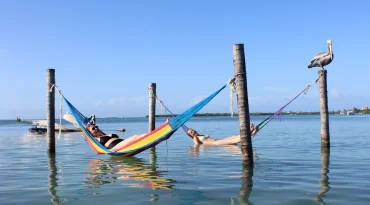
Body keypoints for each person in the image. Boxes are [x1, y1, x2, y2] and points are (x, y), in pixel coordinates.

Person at [186, 123, 257, 146]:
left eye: (192, 130)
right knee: (233, 141)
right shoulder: (195, 138)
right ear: (191, 136)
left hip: (218, 140)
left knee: (233, 137)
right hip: (215, 143)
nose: (192, 131)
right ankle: (249, 134)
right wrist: (194, 137)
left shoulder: (199, 135)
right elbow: (196, 145)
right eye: (191, 132)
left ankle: (249, 133)